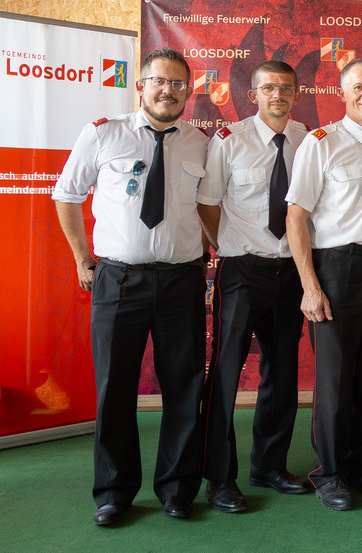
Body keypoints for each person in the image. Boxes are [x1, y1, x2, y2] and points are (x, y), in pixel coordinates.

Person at [53, 48, 209, 526]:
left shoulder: (201, 142)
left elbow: (210, 205)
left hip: (183, 279)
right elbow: (67, 193)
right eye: (159, 82)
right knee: (113, 387)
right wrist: (84, 258)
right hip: (119, 278)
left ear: (189, 91)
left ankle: (178, 489)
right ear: (140, 86)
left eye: (178, 84)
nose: (168, 91)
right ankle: (114, 492)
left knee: (184, 387)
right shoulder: (103, 133)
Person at [197, 60, 312, 513]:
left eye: (285, 88)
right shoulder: (229, 140)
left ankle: (269, 465)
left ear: (297, 93)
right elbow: (207, 205)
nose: (277, 95)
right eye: (268, 88)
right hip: (242, 272)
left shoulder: (308, 140)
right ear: (253, 93)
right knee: (226, 374)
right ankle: (219, 478)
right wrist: (229, 244)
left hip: (291, 271)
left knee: (282, 374)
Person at [285, 58, 362, 511]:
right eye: (358, 87)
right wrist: (310, 285)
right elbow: (296, 217)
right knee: (334, 377)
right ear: (343, 92)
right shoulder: (320, 143)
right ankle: (330, 472)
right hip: (337, 267)